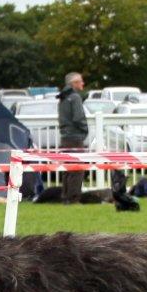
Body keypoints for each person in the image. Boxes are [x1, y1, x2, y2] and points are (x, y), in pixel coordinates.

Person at [57, 72, 88, 203]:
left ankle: (65, 196)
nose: (83, 83)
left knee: (67, 169)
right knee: (77, 169)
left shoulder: (63, 97)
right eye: (80, 81)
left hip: (65, 137)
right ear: (74, 83)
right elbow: (78, 117)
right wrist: (85, 130)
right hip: (75, 137)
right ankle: (74, 197)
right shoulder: (75, 97)